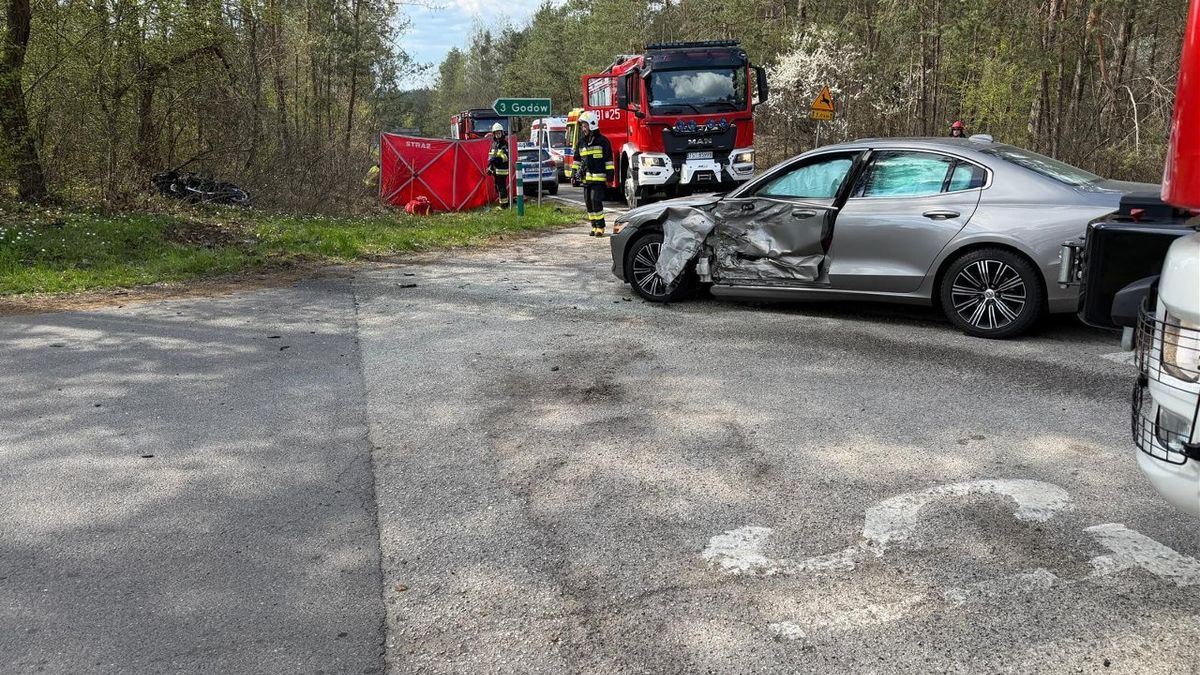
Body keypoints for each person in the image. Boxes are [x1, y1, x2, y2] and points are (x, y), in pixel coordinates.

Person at [573, 111, 614, 237]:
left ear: (592, 125)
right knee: (588, 202)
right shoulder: (581, 143)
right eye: (582, 126)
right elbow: (576, 161)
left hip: (599, 179)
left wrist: (609, 176)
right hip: (586, 180)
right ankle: (594, 226)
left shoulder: (603, 142)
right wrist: (574, 175)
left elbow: (608, 161)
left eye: (585, 125)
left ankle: (600, 227)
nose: (583, 128)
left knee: (595, 200)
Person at [487, 122, 510, 209]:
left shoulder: (504, 144)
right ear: (493, 134)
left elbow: (505, 157)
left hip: (502, 170)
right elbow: (491, 156)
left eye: (499, 133)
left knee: (502, 187)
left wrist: (495, 160)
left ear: (502, 133)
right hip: (495, 169)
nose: (497, 135)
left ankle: (504, 206)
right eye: (496, 133)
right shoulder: (494, 144)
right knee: (498, 187)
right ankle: (503, 204)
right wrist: (489, 167)